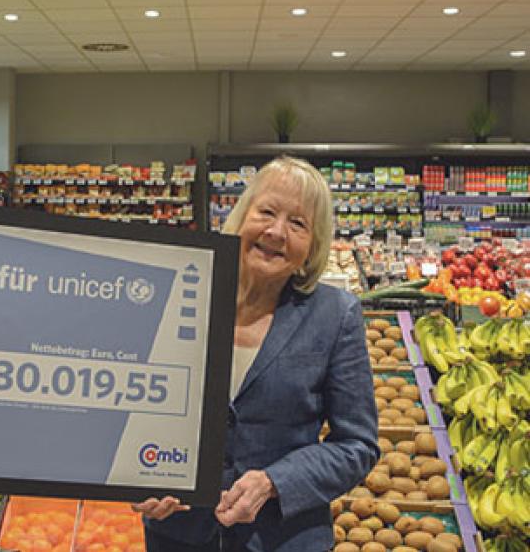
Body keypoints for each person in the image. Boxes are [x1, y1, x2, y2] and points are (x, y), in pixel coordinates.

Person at [134, 156, 379, 552]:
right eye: (266, 212)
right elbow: (136, 403)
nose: (276, 232)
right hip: (179, 535)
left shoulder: (335, 316)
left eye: (298, 223)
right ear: (240, 216)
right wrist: (138, 477)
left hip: (284, 539)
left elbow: (357, 445)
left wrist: (274, 482)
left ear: (313, 246)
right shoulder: (180, 294)